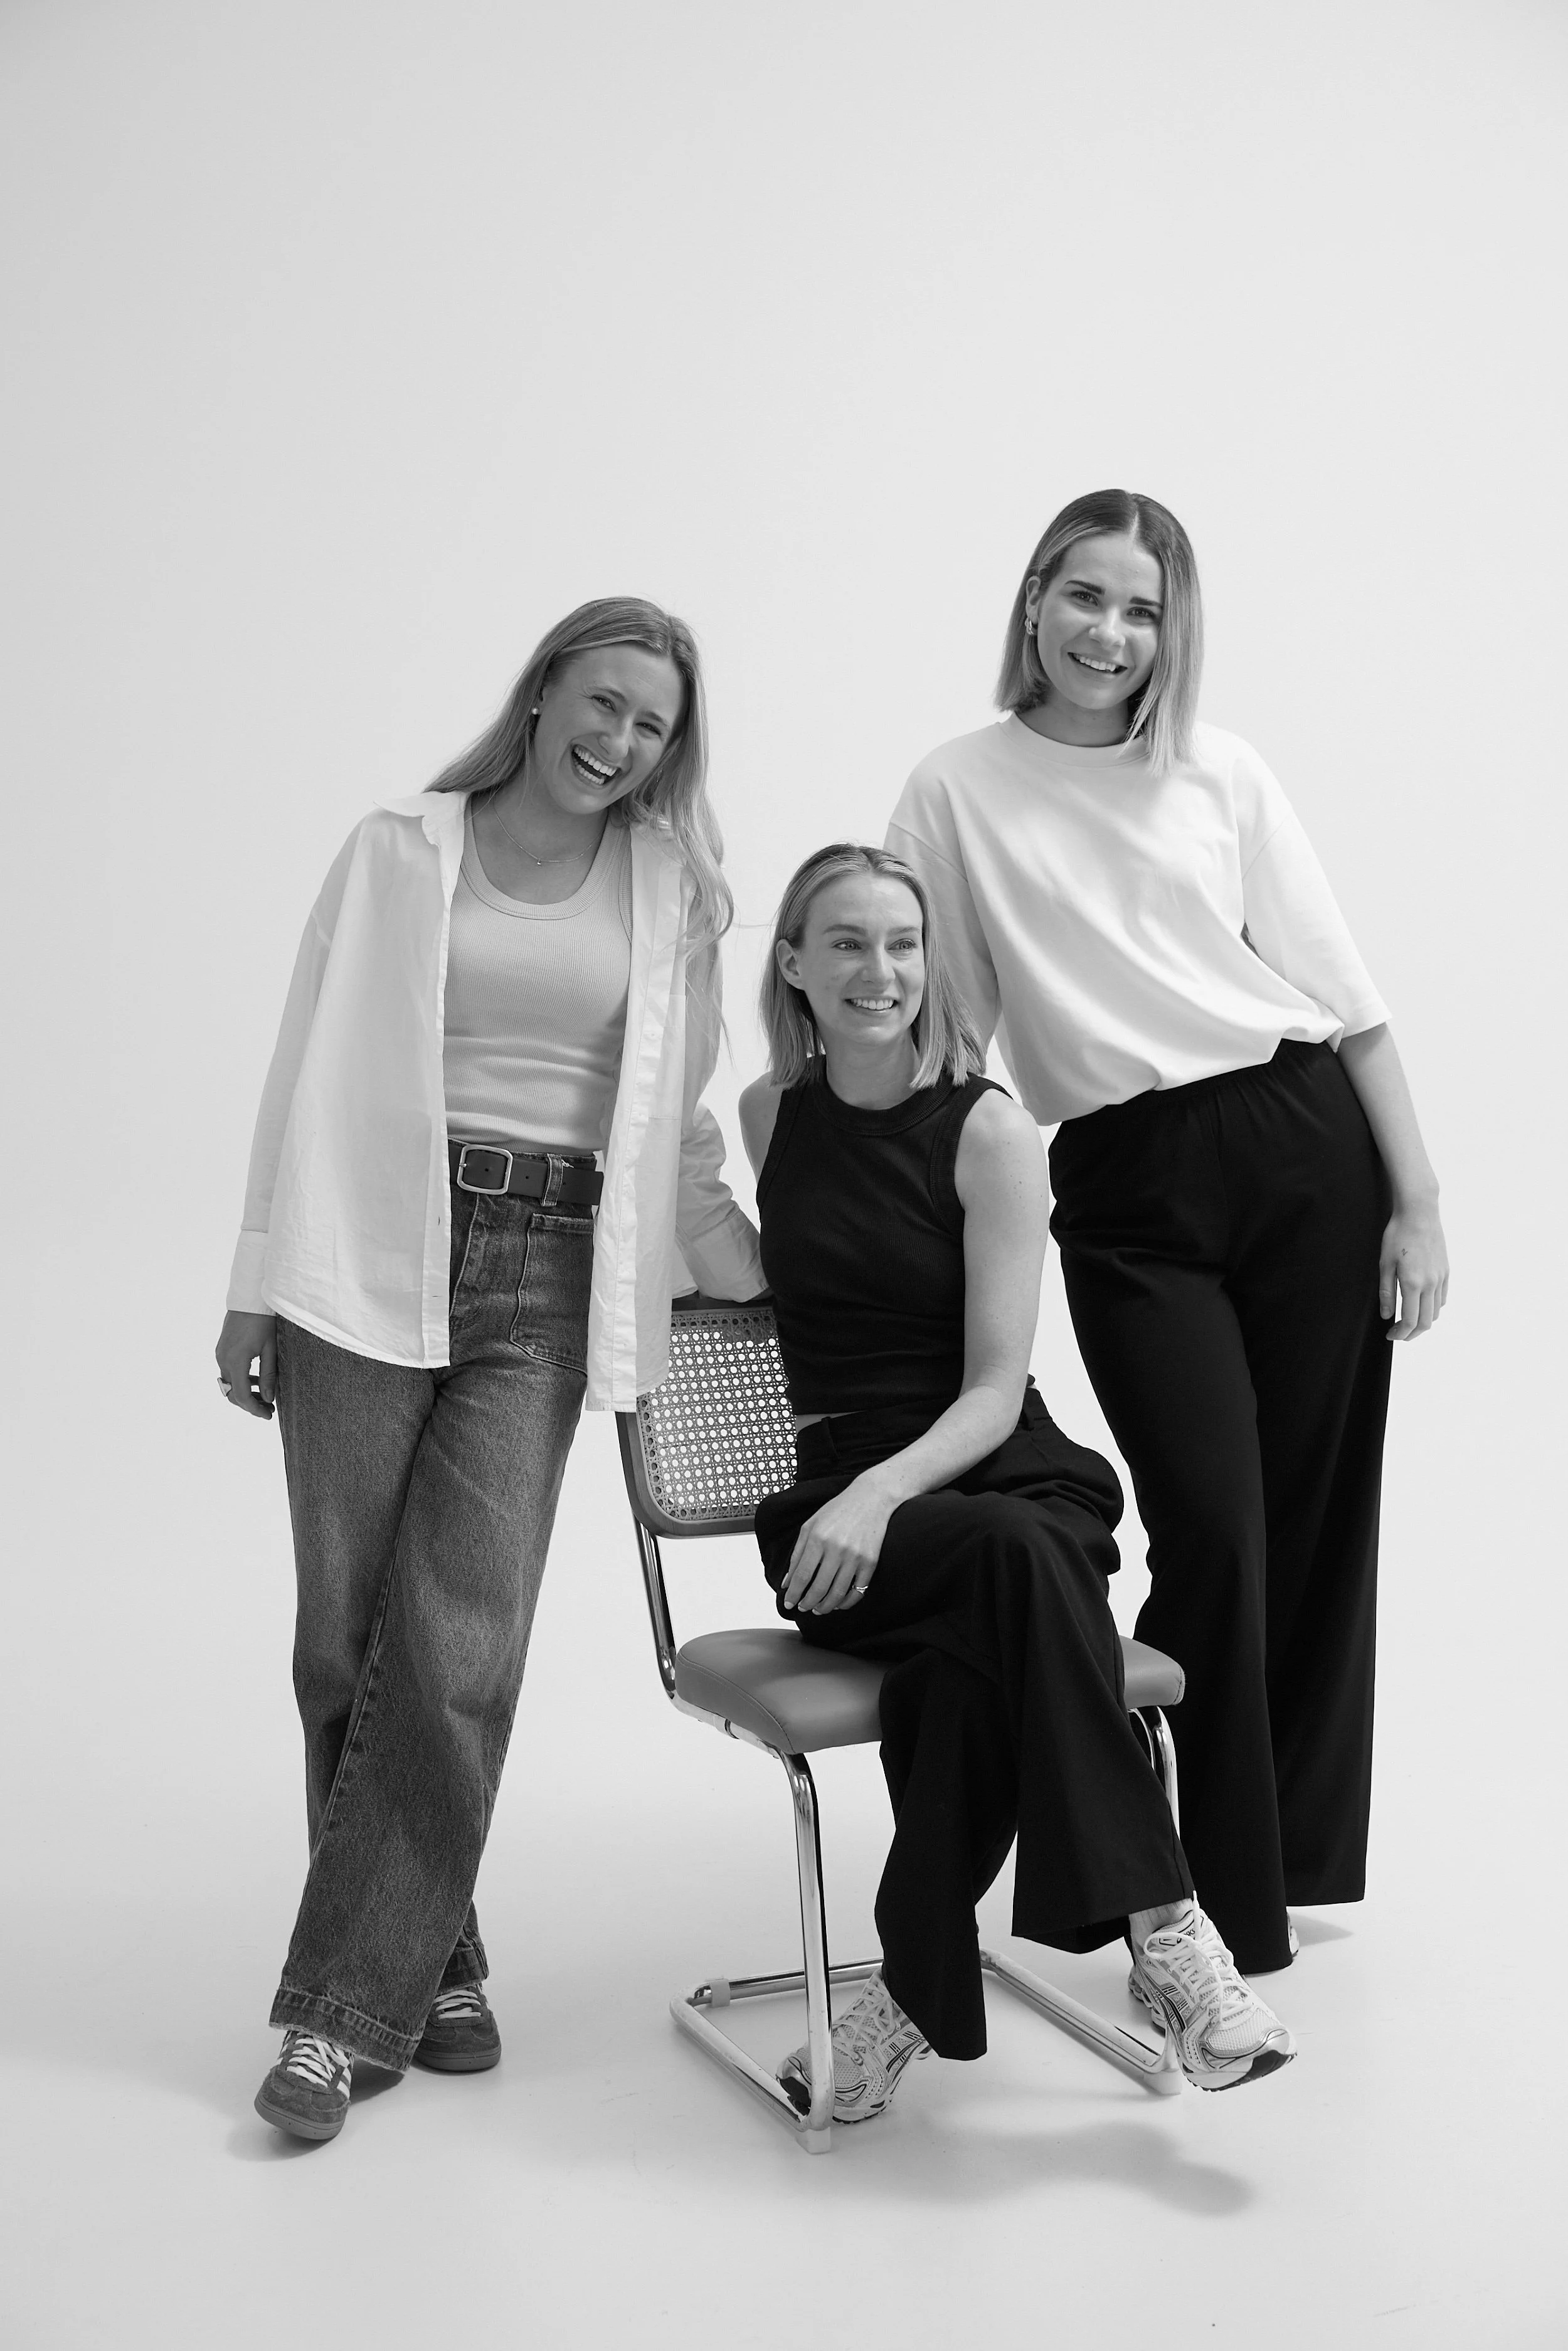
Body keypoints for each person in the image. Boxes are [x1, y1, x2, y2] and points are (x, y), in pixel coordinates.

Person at [216, 597, 763, 2144]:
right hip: (362, 1252)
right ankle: (434, 1957)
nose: (619, 742)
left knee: (457, 1641)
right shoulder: (398, 847)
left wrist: (762, 1269)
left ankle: (335, 2020)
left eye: (651, 725)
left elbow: (678, 1120)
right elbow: (299, 1066)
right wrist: (252, 1286)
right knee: (343, 1643)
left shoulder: (672, 887)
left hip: (547, 1273)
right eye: (602, 703)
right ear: (539, 696)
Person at [885, 490, 1449, 1979]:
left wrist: (1417, 1201)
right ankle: (1189, 1900)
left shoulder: (1218, 768)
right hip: (1124, 1179)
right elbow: (944, 1020)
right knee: (1211, 1522)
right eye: (1084, 596)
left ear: (1169, 631)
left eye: (1140, 610)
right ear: (1032, 600)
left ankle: (1280, 1865)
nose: (1108, 632)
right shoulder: (954, 786)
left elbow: (1345, 996)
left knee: (1311, 1516)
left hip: (1298, 1141)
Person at [737, 842, 1295, 2125]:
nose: (879, 970)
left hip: (993, 1472)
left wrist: (881, 1492)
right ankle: (1167, 1932)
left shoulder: (988, 1130)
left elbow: (994, 1390)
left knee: (981, 1633)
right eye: (846, 942)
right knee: (1011, 1586)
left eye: (902, 943)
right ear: (794, 964)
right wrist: (859, 1499)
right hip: (842, 1517)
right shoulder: (770, 1116)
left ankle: (909, 2001)